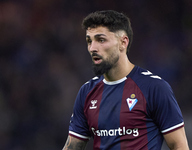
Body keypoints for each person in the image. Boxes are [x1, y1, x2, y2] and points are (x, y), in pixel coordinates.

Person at [62, 10, 189, 150]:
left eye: (101, 40)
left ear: (123, 42)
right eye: (89, 41)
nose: (92, 48)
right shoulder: (86, 92)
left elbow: (179, 145)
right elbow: (72, 147)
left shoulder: (154, 87)